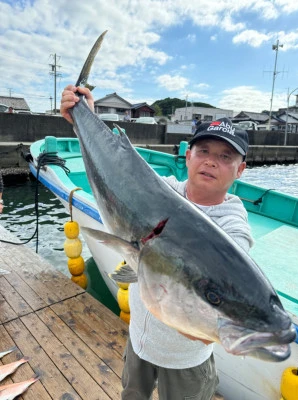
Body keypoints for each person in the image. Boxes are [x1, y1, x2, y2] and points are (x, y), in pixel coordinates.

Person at [60, 85, 253, 400]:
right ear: (187, 155)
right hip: (139, 341)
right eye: (203, 151)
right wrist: (85, 117)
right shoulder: (159, 191)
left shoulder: (231, 222)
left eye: (226, 156)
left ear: (240, 169)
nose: (211, 161)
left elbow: (234, 266)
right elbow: (116, 170)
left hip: (186, 359)